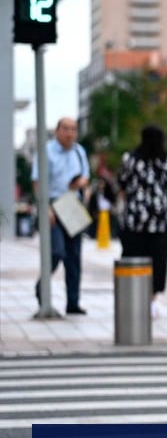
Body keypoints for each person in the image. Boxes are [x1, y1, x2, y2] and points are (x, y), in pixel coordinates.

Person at [117, 125, 167, 318]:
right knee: (158, 261)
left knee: (134, 258)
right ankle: (152, 299)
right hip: (160, 220)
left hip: (135, 220)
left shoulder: (130, 160)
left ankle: (134, 297)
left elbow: (121, 185)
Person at [31, 117, 91, 315]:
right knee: (56, 251)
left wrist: (81, 183)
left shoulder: (79, 151)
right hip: (54, 205)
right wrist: (45, 207)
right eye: (65, 129)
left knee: (74, 257)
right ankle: (42, 289)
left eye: (73, 129)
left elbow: (85, 177)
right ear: (57, 130)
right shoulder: (46, 151)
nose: (70, 133)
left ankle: (73, 302)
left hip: (73, 205)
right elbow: (38, 182)